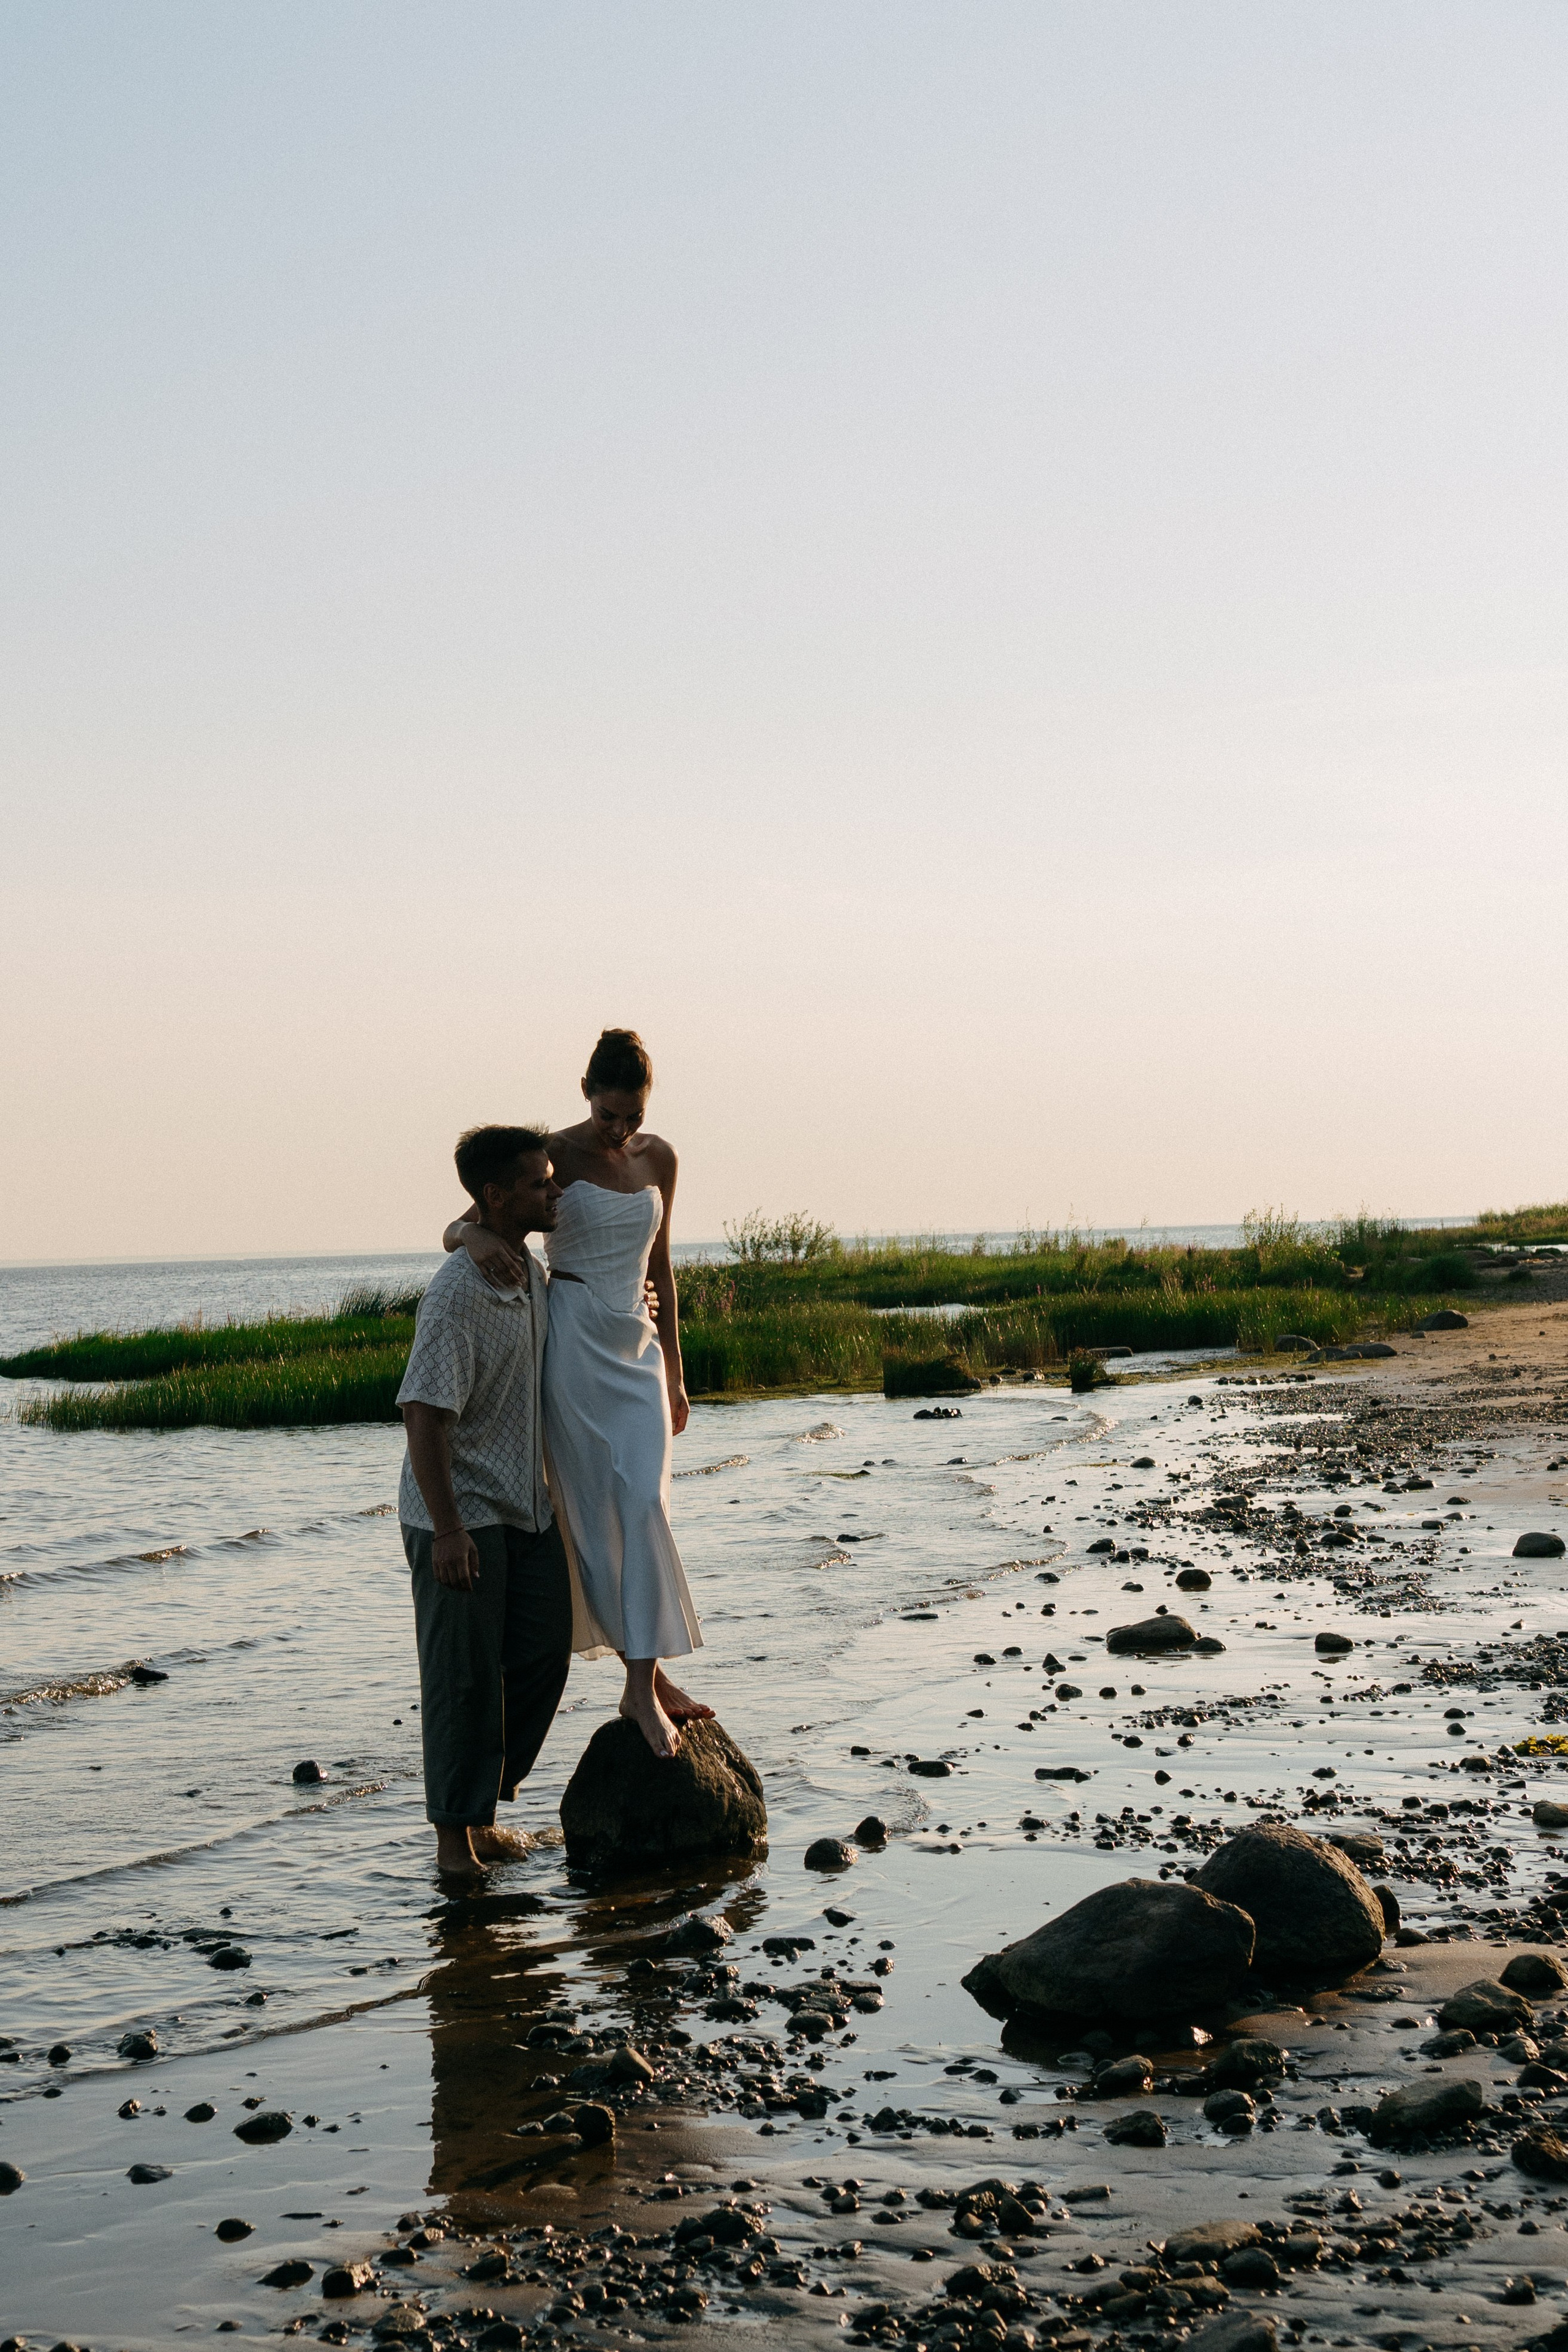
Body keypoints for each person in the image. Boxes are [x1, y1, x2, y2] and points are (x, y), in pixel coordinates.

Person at [444, 1027, 709, 1759]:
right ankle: (640, 1680)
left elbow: (663, 1264)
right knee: (597, 1512)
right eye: (610, 1114)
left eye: (633, 1115)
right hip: (574, 1342)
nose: (621, 1129)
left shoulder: (660, 1157)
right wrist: (477, 1242)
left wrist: (677, 1372)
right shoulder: (552, 1153)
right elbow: (459, 1223)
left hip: (639, 1346)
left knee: (648, 1503)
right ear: (586, 1092)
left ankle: (644, 1677)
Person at [399, 1125, 573, 1876]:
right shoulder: (457, 1293)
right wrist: (447, 1531)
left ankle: (486, 1802)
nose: (553, 1191)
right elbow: (422, 1414)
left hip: (526, 1509)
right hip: (462, 1514)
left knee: (543, 1650)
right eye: (539, 1182)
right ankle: (454, 1846)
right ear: (496, 1196)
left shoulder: (526, 1267)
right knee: (462, 1680)